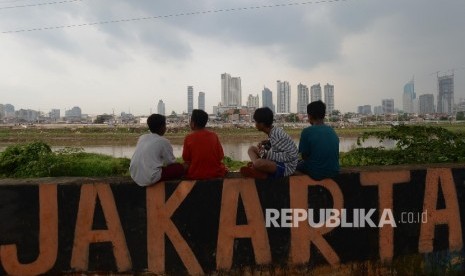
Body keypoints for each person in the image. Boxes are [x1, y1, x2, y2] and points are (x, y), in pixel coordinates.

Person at [240, 107, 298, 179]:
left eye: (256, 121)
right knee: (251, 149)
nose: (255, 124)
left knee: (258, 163)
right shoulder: (272, 132)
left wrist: (265, 153)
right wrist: (266, 143)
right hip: (277, 162)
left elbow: (290, 156)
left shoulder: (276, 134)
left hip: (286, 167)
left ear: (262, 124)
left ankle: (260, 172)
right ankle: (257, 167)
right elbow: (276, 147)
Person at [130, 114, 184, 186]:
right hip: (150, 178)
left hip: (134, 175)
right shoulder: (163, 141)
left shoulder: (142, 137)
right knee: (179, 168)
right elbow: (171, 163)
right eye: (165, 125)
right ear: (162, 127)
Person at [297, 100, 339, 180]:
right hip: (334, 171)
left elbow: (304, 156)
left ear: (310, 116)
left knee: (290, 167)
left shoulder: (307, 132)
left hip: (316, 173)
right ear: (323, 115)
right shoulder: (331, 130)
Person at [182, 109, 227, 179]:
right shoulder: (214, 136)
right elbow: (220, 156)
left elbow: (186, 158)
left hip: (195, 174)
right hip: (216, 173)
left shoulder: (188, 138)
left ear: (193, 123)